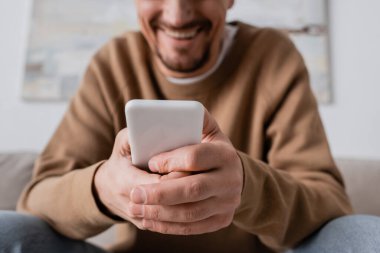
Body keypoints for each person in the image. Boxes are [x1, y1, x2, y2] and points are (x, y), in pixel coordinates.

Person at [1, 0, 380, 252]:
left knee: (366, 237)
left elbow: (331, 204)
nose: (178, 15)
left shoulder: (273, 58)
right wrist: (101, 188)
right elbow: (35, 200)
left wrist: (246, 187)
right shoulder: (113, 63)